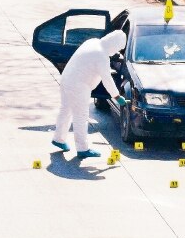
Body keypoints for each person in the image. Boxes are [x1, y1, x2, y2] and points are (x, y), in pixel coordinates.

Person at [51, 29, 128, 159]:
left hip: (66, 79)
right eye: (117, 49)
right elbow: (107, 79)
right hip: (79, 86)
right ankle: (82, 149)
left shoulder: (92, 42)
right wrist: (117, 96)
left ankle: (58, 138)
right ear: (113, 44)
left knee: (65, 110)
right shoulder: (101, 55)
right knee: (81, 116)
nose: (115, 52)